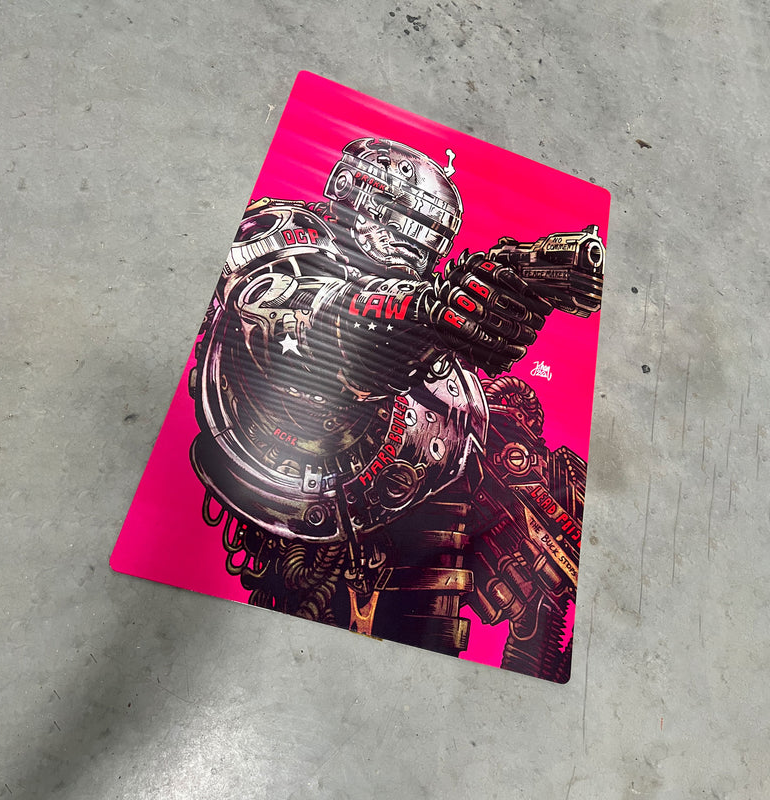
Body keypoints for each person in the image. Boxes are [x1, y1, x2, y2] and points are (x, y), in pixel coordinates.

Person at [188, 138, 604, 681]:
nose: (415, 242)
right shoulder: (286, 234)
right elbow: (298, 314)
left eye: (430, 232)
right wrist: (422, 312)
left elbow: (447, 404)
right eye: (411, 221)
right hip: (286, 499)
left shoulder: (435, 342)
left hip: (394, 521)